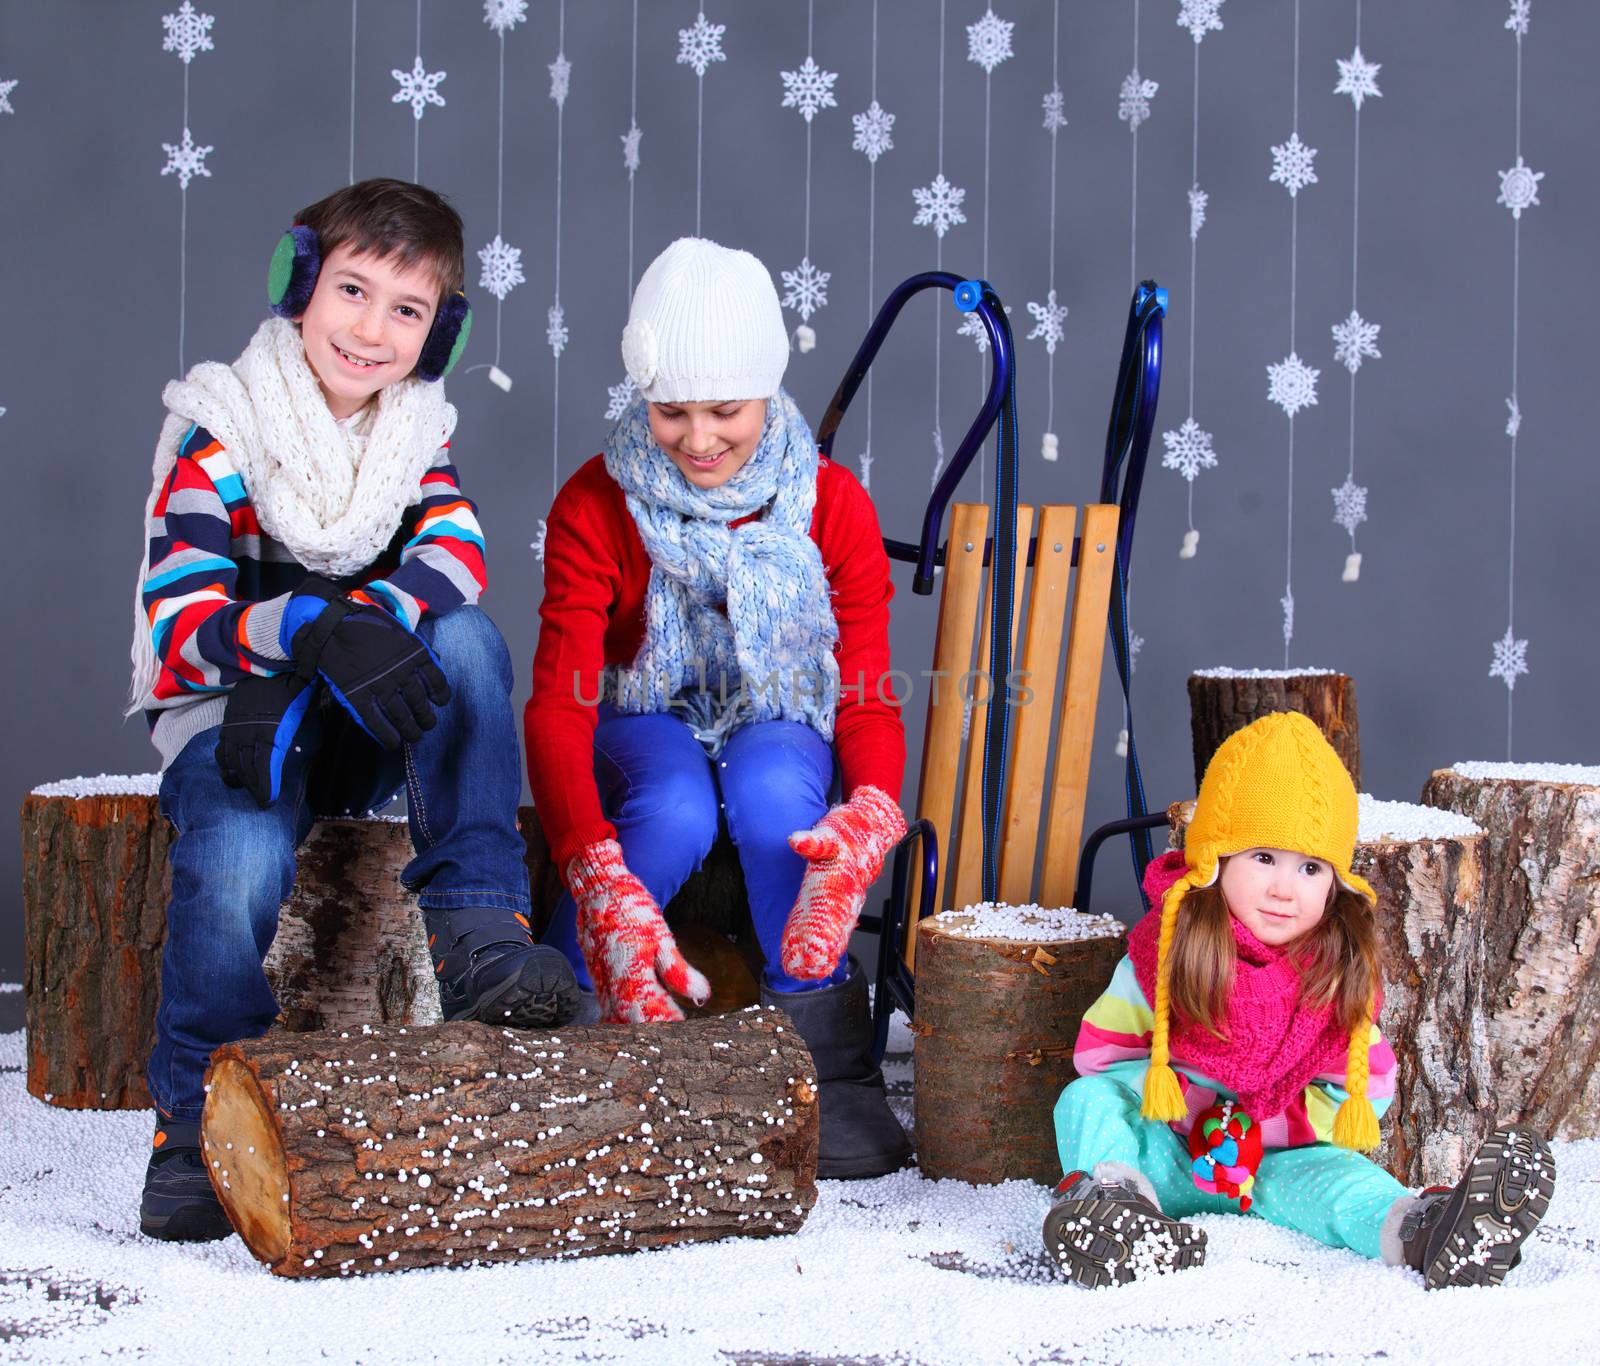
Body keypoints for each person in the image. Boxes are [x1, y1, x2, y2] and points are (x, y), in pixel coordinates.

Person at [128, 179, 578, 1242]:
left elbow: (454, 553)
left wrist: (364, 624)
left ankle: (476, 930)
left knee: (466, 638)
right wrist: (308, 628)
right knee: (234, 857)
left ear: (442, 334)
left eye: (407, 310)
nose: (372, 331)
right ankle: (196, 1115)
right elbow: (181, 616)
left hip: (358, 718)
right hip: (240, 716)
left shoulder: (417, 430)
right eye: (353, 291)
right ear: (299, 285)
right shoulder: (222, 425)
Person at [525, 236, 911, 1179]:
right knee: (673, 803)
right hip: (641, 710)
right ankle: (579, 1004)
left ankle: (821, 1053)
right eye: (671, 412)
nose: (699, 439)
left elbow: (863, 687)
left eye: (725, 411)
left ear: (768, 392)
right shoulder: (596, 503)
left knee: (781, 797)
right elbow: (559, 697)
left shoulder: (831, 504)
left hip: (779, 712)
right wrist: (587, 859)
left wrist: (870, 811)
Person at [1044, 711, 1555, 1290]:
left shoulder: (1336, 975)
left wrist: (1261, 1132)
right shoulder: (1166, 950)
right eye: (1263, 858)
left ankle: (1423, 1230)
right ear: (1215, 860)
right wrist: (1194, 1112)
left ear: (1335, 882)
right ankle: (1118, 1211)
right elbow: (1103, 1060)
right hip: (1163, 1156)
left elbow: (1366, 1090)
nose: (1285, 889)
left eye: (1311, 868)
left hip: (1272, 1163)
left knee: (1342, 1181)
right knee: (1085, 1099)